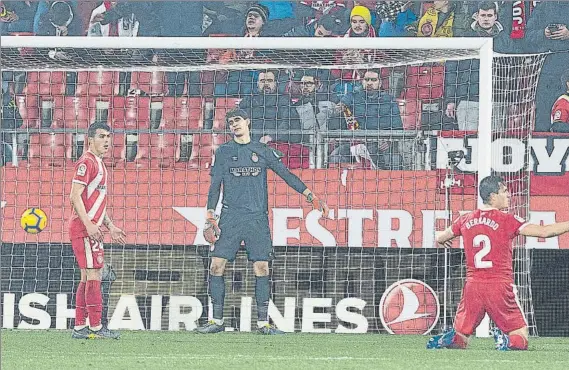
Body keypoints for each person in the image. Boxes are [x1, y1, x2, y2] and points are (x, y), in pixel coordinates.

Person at [196, 108, 330, 335]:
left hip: (257, 218)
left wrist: (310, 196)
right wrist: (210, 214)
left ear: (247, 122)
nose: (234, 125)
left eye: (237, 120)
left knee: (261, 268)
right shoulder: (224, 152)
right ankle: (216, 321)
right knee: (216, 266)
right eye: (230, 123)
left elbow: (286, 174)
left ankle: (263, 323)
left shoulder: (262, 150)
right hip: (230, 217)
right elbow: (215, 184)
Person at [428, 175, 569, 351]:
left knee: (461, 337)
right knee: (520, 334)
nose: (509, 195)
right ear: (493, 196)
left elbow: (441, 236)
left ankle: (448, 339)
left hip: (473, 287)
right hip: (499, 286)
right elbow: (544, 232)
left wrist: (441, 240)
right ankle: (506, 341)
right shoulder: (507, 220)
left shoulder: (465, 219)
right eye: (504, 191)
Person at [69, 122, 126, 340]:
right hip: (85, 228)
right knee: (94, 274)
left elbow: (97, 201)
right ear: (90, 140)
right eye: (102, 136)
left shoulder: (99, 164)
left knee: (87, 276)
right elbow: (74, 196)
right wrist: (90, 225)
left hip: (89, 227)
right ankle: (95, 327)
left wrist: (109, 225)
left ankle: (80, 327)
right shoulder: (86, 162)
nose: (107, 141)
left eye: (109, 137)